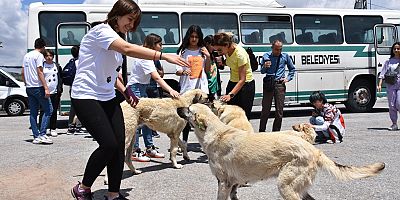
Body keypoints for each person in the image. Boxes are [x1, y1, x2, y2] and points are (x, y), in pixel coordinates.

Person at [69, 1, 188, 199]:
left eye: (135, 22)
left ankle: (113, 194)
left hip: (107, 96)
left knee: (119, 144)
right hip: (86, 95)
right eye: (130, 20)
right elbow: (127, 49)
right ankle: (82, 187)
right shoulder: (101, 31)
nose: (131, 25)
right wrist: (163, 56)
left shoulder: (115, 37)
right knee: (108, 145)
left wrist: (126, 92)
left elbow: (113, 74)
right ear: (117, 14)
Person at [127, 33, 180, 162]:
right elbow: (156, 77)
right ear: (153, 45)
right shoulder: (145, 57)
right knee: (137, 121)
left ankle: (149, 148)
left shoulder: (147, 55)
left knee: (147, 120)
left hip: (142, 88)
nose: (161, 47)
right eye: (159, 44)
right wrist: (170, 90)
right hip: (135, 89)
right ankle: (135, 151)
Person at [176, 25, 210, 146]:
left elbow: (208, 70)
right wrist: (184, 71)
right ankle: (184, 143)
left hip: (201, 89)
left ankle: (205, 143)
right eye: (192, 37)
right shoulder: (183, 51)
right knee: (186, 117)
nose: (194, 39)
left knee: (202, 116)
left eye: (196, 37)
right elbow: (177, 70)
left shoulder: (203, 50)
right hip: (187, 89)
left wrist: (208, 56)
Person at [213, 32, 255, 118]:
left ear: (227, 45)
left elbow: (242, 79)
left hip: (245, 86)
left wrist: (231, 95)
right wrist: (223, 63)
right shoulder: (227, 50)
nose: (219, 52)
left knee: (243, 116)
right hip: (233, 82)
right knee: (230, 115)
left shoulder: (240, 54)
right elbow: (231, 62)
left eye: (220, 50)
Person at [258, 40, 295, 132]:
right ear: (272, 48)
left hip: (280, 85)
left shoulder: (285, 56)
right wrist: (265, 67)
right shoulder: (266, 56)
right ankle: (261, 131)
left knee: (279, 111)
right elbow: (262, 72)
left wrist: (287, 79)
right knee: (265, 110)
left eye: (280, 49)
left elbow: (292, 69)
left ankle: (276, 132)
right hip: (269, 84)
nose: (278, 51)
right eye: (276, 49)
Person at [21, 38, 53, 145]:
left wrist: (26, 83)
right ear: (43, 46)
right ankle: (43, 134)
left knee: (33, 112)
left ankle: (36, 136)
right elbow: (40, 72)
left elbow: (22, 72)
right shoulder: (39, 56)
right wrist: (46, 88)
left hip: (29, 87)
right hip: (37, 87)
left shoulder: (26, 55)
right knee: (49, 110)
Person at [39, 49, 63, 137]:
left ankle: (53, 128)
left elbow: (60, 78)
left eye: (50, 56)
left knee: (54, 111)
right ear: (44, 57)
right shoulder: (42, 65)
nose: (49, 57)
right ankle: (42, 129)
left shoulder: (56, 65)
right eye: (47, 56)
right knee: (43, 111)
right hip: (45, 92)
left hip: (55, 92)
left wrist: (60, 89)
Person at [377, 42, 400, 131]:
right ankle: (394, 124)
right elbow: (383, 73)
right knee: (392, 105)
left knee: (399, 103)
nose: (396, 50)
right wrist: (379, 84)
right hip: (391, 85)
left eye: (398, 48)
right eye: (395, 49)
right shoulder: (388, 61)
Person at [66, 45, 84, 135]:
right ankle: (78, 126)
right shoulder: (81, 62)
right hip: (81, 87)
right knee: (81, 106)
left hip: (72, 87)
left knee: (73, 107)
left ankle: (70, 125)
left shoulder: (72, 61)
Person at [203, 35, 220, 101]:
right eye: (212, 45)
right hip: (208, 85)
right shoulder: (204, 55)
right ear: (207, 44)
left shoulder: (212, 54)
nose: (214, 48)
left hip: (214, 85)